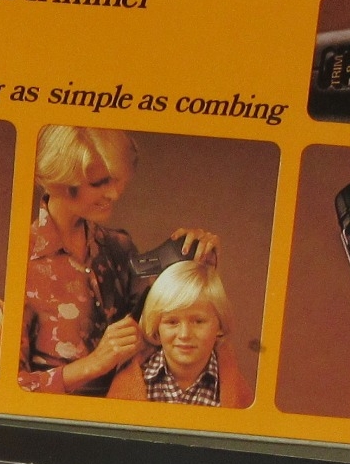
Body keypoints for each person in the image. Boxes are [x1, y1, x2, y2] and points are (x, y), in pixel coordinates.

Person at [18, 125, 219, 396]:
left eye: (115, 180)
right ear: (59, 182)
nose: (114, 194)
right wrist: (93, 364)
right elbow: (10, 389)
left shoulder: (119, 247)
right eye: (98, 183)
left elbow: (161, 333)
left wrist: (196, 266)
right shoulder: (22, 261)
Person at [107, 258, 253, 407]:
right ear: (156, 326)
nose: (184, 334)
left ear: (220, 325)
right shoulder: (127, 385)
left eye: (198, 321)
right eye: (172, 322)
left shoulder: (237, 394)